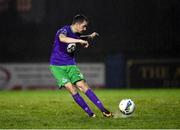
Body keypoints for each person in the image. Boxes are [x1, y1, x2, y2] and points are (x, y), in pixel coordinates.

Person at [49, 14, 113, 117]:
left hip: (70, 64)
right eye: (84, 26)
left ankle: (104, 110)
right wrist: (79, 41)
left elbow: (78, 36)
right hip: (57, 66)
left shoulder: (77, 34)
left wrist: (89, 36)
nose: (85, 28)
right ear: (77, 24)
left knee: (82, 86)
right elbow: (62, 39)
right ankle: (91, 114)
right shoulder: (63, 30)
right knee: (72, 88)